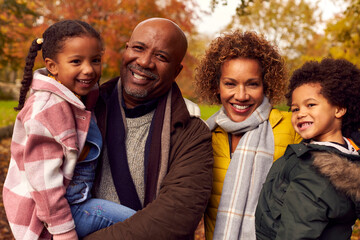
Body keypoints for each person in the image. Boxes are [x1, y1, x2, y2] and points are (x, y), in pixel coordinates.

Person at [2, 20, 136, 240]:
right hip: (56, 215)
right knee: (142, 225)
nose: (89, 69)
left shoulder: (75, 99)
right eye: (76, 61)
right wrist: (64, 233)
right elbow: (44, 184)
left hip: (74, 201)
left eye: (95, 60)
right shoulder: (48, 108)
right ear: (52, 66)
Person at [83, 18, 213, 239]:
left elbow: (174, 218)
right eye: (138, 48)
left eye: (161, 57)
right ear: (126, 50)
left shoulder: (191, 133)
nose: (144, 62)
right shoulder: (84, 108)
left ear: (177, 70)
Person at [194, 30, 302, 240]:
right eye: (230, 83)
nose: (241, 96)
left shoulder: (292, 128)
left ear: (265, 85)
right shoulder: (204, 135)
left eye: (252, 84)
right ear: (217, 86)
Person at [255, 58, 360, 240]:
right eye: (295, 109)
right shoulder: (346, 154)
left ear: (340, 108)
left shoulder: (315, 173)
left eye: (310, 104)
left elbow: (296, 233)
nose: (300, 113)